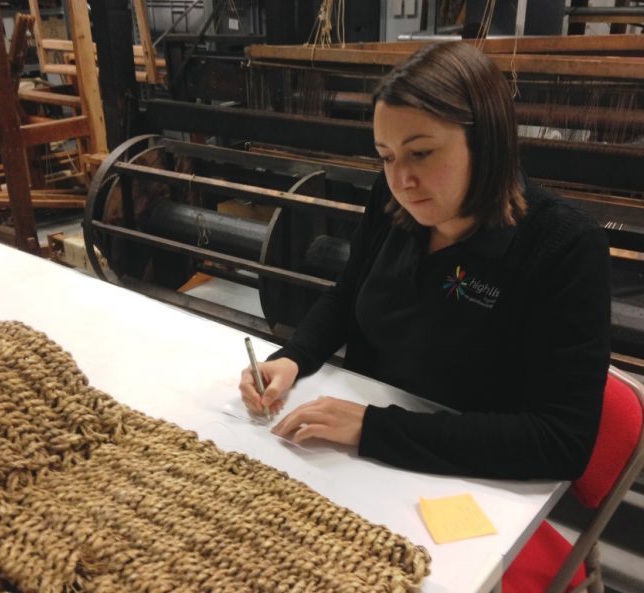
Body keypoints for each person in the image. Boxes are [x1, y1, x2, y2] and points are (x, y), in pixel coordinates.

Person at [239, 41, 611, 480]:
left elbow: (560, 442)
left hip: (467, 479)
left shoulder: (563, 247)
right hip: (355, 458)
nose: (401, 180)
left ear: (485, 141)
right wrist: (294, 357)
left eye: (420, 153)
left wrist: (372, 427)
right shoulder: (392, 201)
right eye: (387, 156)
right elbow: (346, 297)